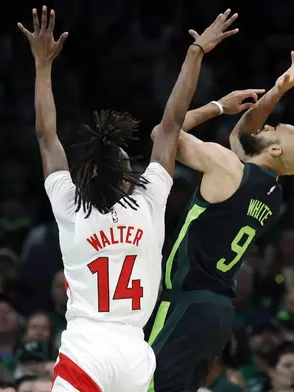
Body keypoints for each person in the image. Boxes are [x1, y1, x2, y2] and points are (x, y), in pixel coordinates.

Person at [16, 5, 239, 391]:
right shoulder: (150, 198)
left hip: (87, 347)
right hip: (135, 352)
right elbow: (170, 125)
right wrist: (195, 53)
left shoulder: (70, 205)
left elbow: (46, 136)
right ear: (127, 176)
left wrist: (42, 66)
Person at [146, 52, 294, 392]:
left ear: (277, 150)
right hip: (218, 313)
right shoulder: (271, 195)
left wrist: (216, 107)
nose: (267, 125)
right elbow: (244, 136)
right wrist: (278, 89)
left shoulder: (228, 167)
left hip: (186, 302)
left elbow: (162, 134)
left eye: (274, 128)